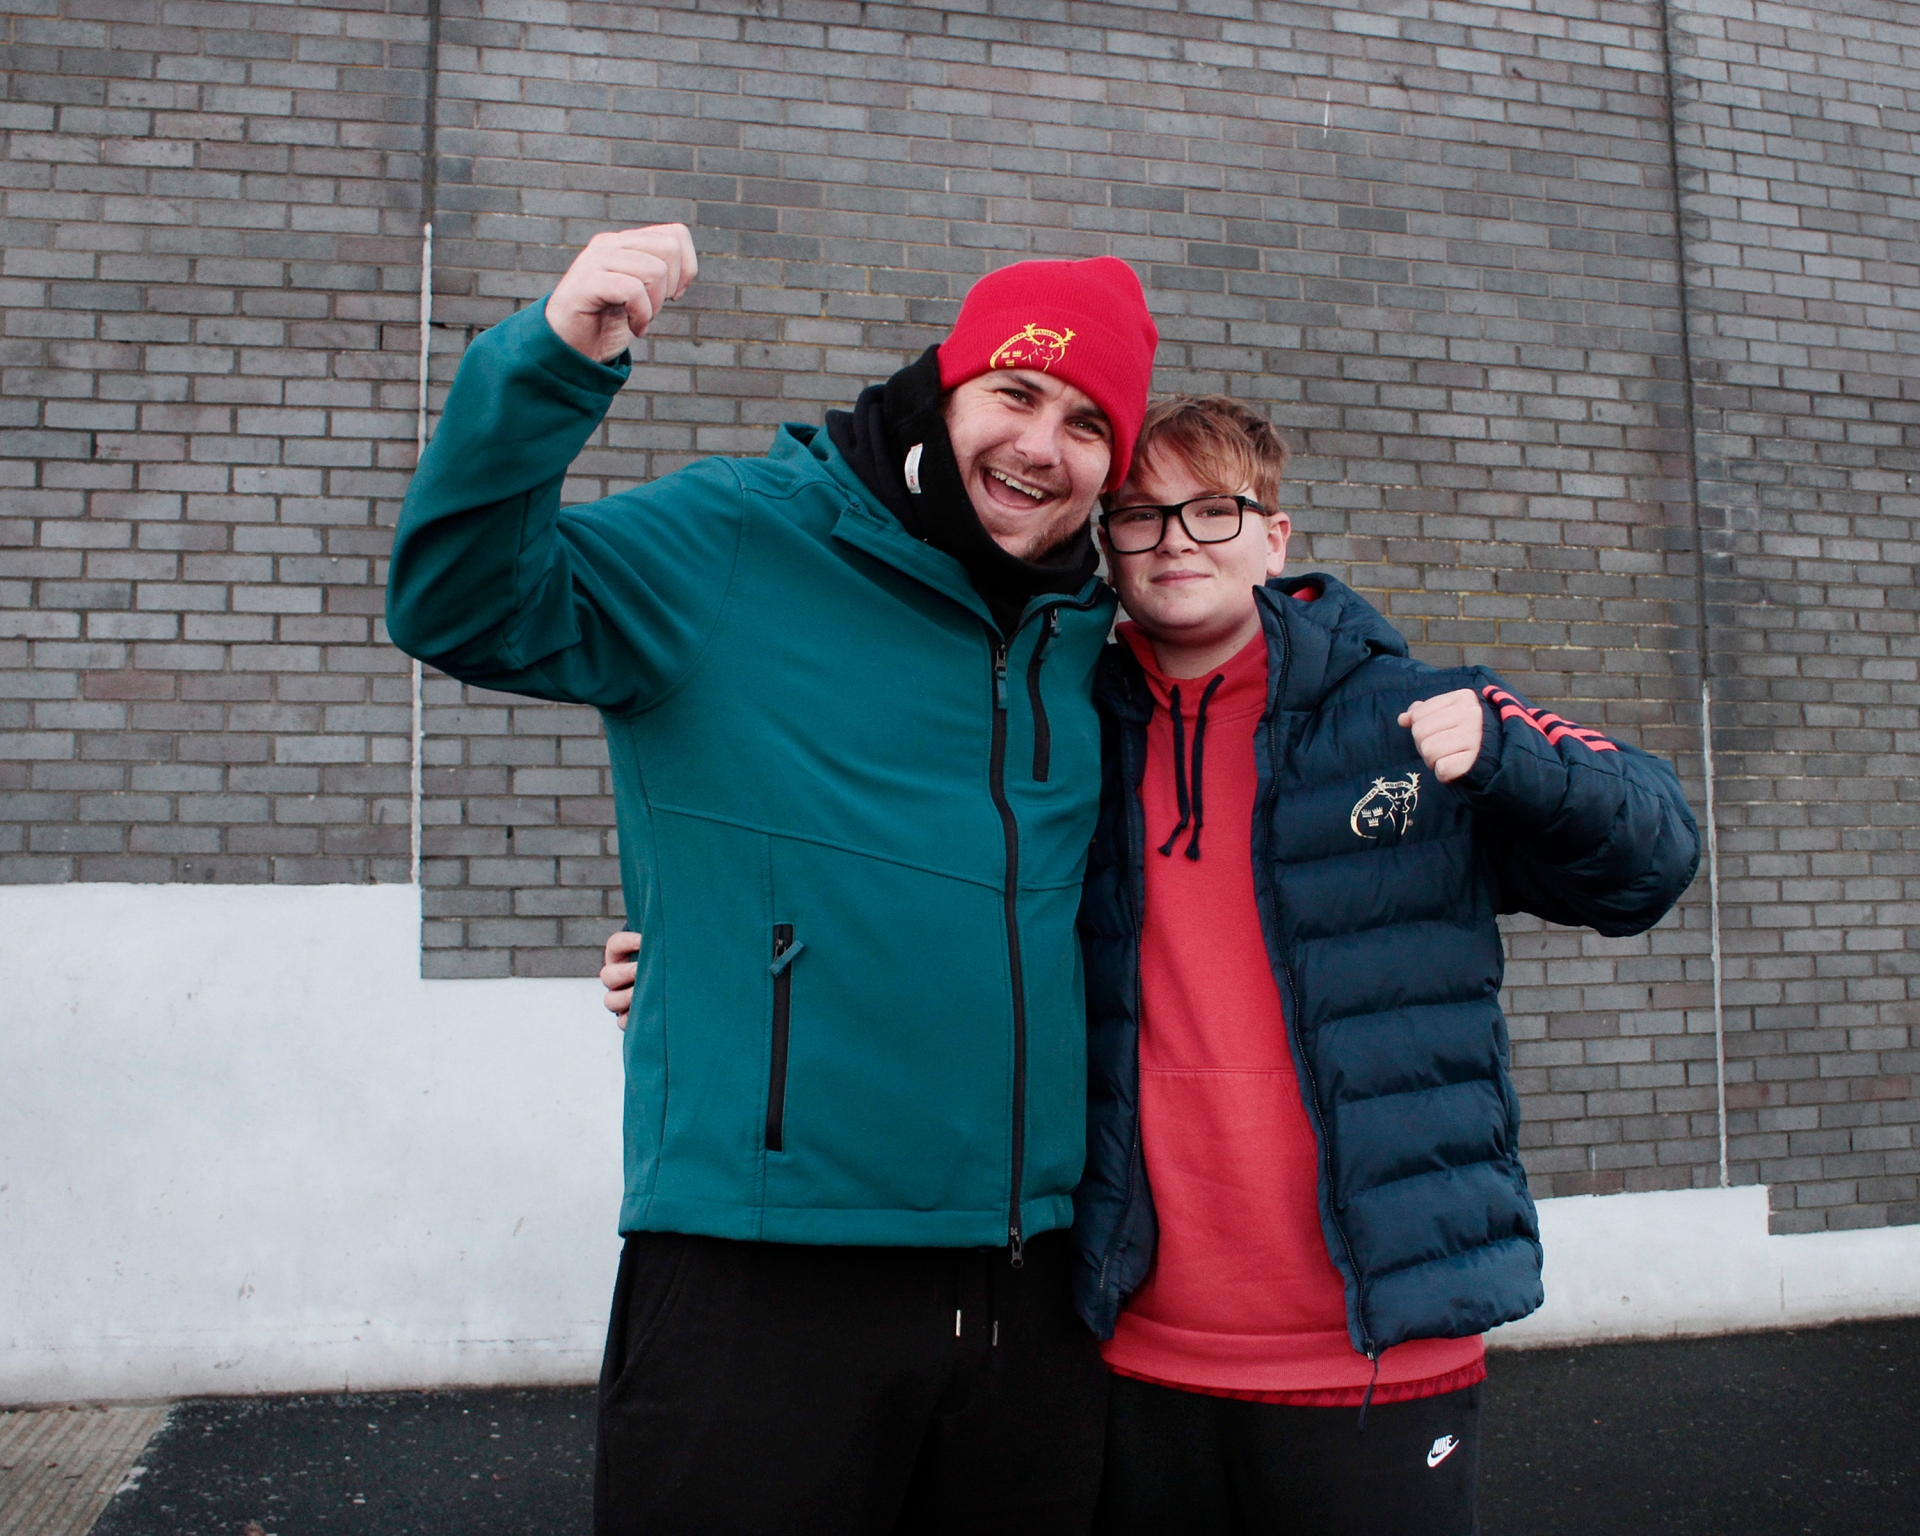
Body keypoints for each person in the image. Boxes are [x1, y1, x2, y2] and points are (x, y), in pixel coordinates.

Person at [385, 224, 1159, 1534]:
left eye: (1088, 424)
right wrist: (552, 361)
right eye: (1017, 393)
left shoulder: (1084, 638)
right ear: (945, 389)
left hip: (1026, 1290)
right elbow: (459, 605)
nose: (1042, 446)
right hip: (765, 1274)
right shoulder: (744, 536)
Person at [1071, 396, 1701, 1534]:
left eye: (1213, 510)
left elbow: (1648, 863)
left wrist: (1514, 758)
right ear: (1107, 540)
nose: (1175, 541)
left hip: (1377, 1345)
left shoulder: (1413, 713)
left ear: (1275, 537)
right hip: (1134, 1342)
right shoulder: (1068, 732)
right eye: (1140, 515)